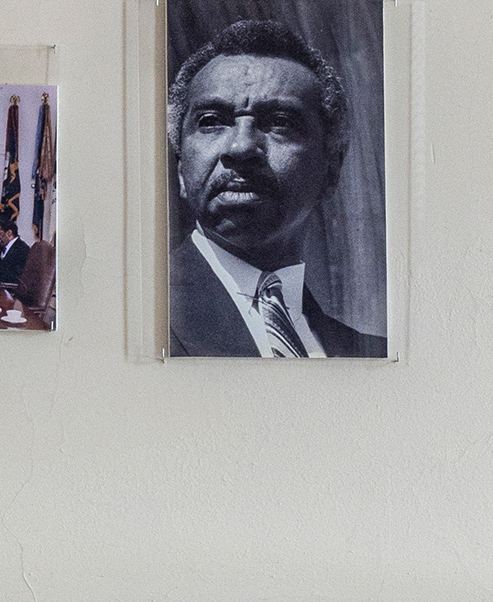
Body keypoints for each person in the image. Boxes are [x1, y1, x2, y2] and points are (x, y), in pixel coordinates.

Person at [164, 18, 386, 358]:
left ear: (332, 169)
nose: (240, 147)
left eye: (280, 123)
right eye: (211, 122)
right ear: (180, 167)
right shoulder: (131, 314)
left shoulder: (371, 356)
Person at [0, 220, 30, 295]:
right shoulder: (2, 246)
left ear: (9, 233)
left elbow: (14, 275)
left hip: (10, 292)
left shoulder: (21, 249)